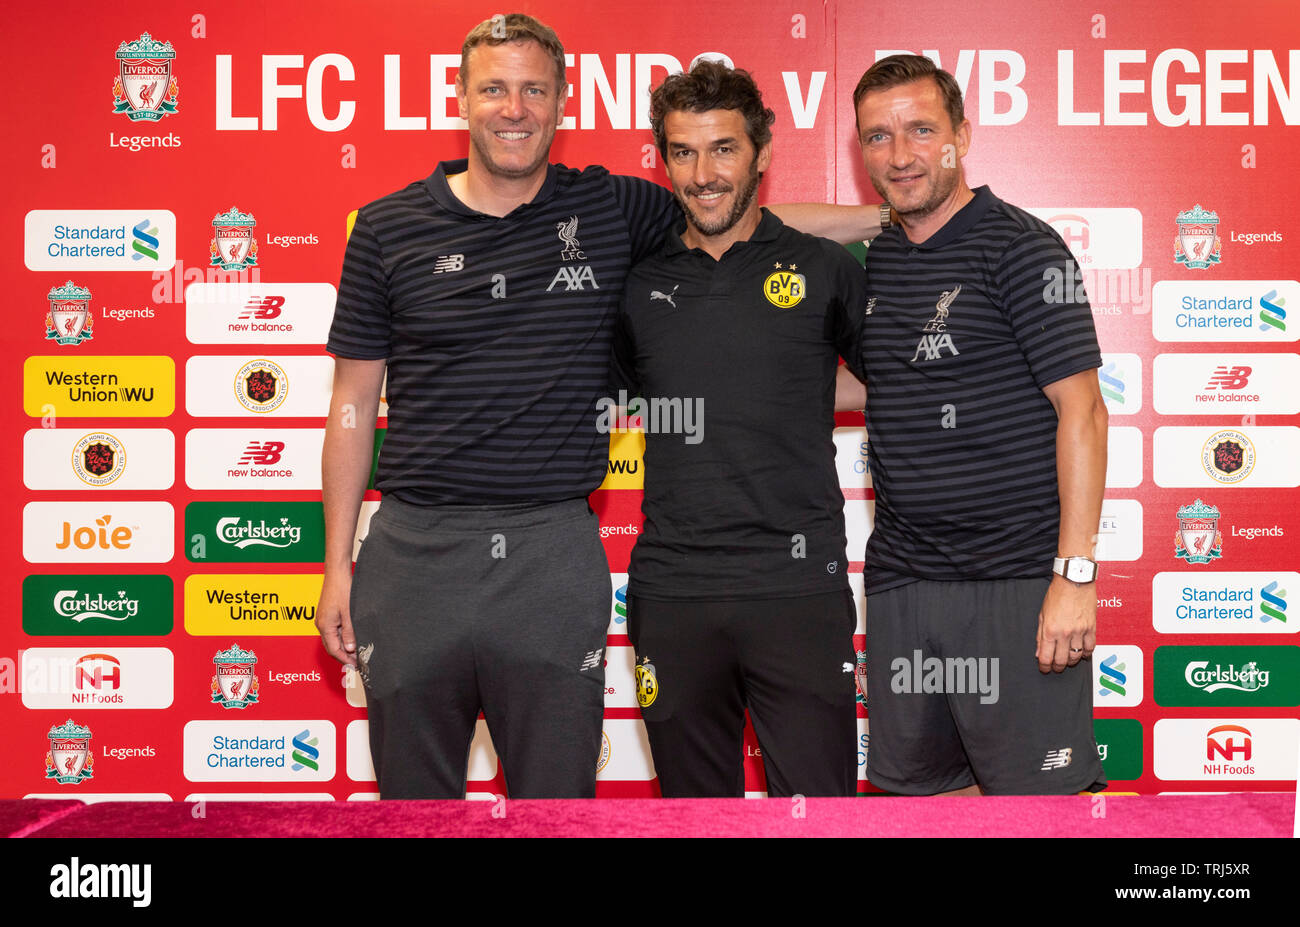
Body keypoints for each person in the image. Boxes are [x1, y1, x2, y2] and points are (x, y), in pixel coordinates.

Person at [316, 13, 889, 799]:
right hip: (413, 553)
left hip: (552, 550)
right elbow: (350, 404)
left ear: (561, 103)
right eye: (493, 88)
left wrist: (894, 215)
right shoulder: (385, 228)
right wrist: (336, 562)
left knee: (559, 808)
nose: (513, 108)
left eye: (532, 90)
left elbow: (745, 220)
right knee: (411, 812)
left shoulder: (612, 209)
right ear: (460, 97)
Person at [842, 54, 1109, 795]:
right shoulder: (879, 262)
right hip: (905, 584)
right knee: (923, 806)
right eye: (877, 137)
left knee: (1047, 809)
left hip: (1019, 583)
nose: (899, 155)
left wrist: (1074, 575)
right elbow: (756, 226)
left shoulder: (1021, 246)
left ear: (963, 132)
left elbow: (1082, 410)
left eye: (921, 130)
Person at [613, 61, 872, 798]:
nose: (703, 174)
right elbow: (614, 394)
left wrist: (796, 389)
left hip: (799, 588)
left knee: (820, 814)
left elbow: (894, 382)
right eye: (684, 152)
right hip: (673, 594)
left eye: (724, 148)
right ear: (663, 159)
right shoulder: (633, 281)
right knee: (695, 819)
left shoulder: (825, 268)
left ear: (761, 151)